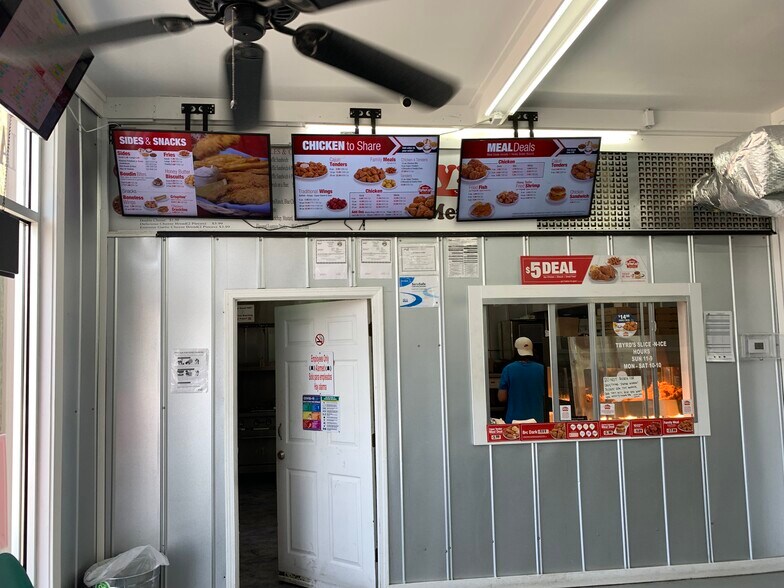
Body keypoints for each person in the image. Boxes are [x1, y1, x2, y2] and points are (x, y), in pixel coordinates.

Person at [498, 336, 545, 423]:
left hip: (514, 420)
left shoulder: (508, 369)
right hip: (538, 419)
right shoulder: (542, 369)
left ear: (515, 351)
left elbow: (502, 397)